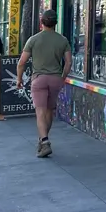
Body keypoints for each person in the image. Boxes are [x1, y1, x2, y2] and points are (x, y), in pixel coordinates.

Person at [18, 10, 71, 157]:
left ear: (42, 22)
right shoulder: (63, 40)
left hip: (39, 78)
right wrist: (63, 77)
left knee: (40, 112)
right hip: (55, 79)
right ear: (56, 23)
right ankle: (43, 139)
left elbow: (22, 62)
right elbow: (68, 62)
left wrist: (19, 79)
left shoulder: (33, 39)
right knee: (49, 111)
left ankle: (45, 141)